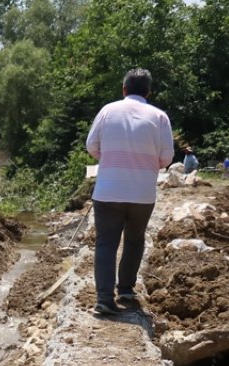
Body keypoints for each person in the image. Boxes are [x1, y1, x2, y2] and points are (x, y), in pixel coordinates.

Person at [84, 68, 174, 316]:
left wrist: (110, 159)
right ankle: (125, 289)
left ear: (124, 89)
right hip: (142, 194)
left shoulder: (107, 111)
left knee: (106, 243)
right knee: (135, 240)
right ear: (148, 92)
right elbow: (167, 156)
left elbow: (91, 145)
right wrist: (145, 165)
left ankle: (104, 298)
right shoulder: (159, 117)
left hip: (108, 191)